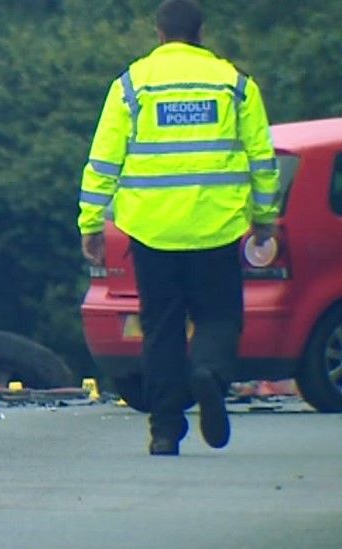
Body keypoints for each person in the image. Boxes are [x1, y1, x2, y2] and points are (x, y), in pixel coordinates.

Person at [77, 0, 280, 455]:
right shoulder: (235, 85)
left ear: (159, 32)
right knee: (219, 316)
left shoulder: (131, 86)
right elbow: (261, 160)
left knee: (161, 329)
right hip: (217, 226)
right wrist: (264, 219)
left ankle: (165, 431)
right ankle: (208, 371)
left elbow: (103, 161)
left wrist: (91, 223)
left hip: (152, 231)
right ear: (200, 33)